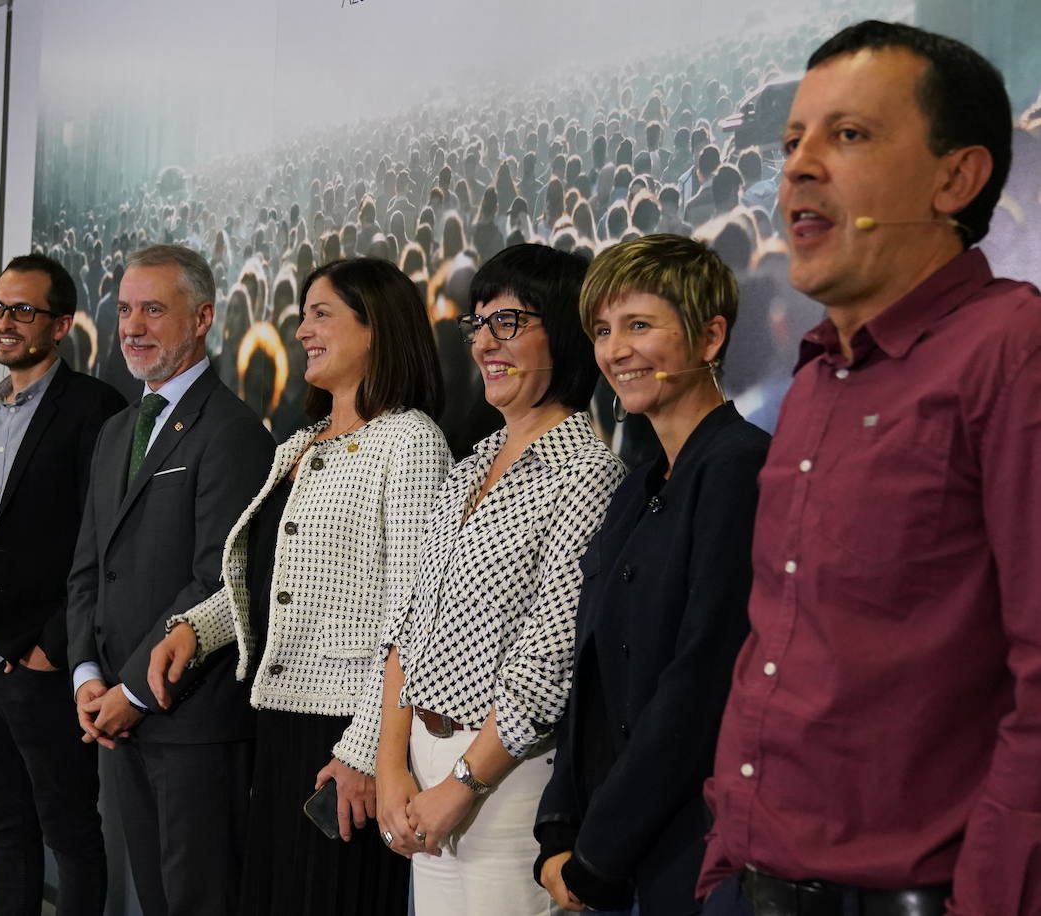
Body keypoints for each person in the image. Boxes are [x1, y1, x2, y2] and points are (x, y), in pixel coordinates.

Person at [699, 21, 1041, 916]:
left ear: (956, 178)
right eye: (791, 142)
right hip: (755, 883)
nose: (800, 165)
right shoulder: (815, 379)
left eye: (847, 135)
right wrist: (726, 860)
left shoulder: (1012, 352)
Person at [146, 258, 451, 914]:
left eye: (322, 314)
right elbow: (267, 583)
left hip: (348, 732)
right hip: (281, 722)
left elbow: (411, 614)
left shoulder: (411, 441)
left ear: (377, 329)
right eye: (303, 312)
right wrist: (196, 630)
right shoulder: (301, 444)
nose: (302, 328)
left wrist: (367, 749)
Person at [375, 244, 627, 916]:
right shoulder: (469, 465)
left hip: (507, 783)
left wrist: (460, 786)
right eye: (477, 325)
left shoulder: (587, 474)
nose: (486, 342)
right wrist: (392, 765)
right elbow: (410, 622)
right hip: (422, 767)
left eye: (509, 322)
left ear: (567, 333)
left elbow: (547, 665)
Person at [534, 235, 770, 914]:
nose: (615, 351)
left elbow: (704, 679)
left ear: (709, 336)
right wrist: (560, 827)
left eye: (639, 325)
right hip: (615, 850)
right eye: (603, 330)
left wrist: (597, 851)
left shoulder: (740, 468)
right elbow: (595, 674)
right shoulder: (634, 489)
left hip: (700, 853)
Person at [66, 243, 275, 916]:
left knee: (198, 902)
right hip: (116, 715)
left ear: (203, 316)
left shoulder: (234, 432)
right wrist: (86, 676)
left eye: (154, 310)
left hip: (192, 719)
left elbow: (219, 580)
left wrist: (132, 689)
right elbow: (88, 571)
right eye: (126, 310)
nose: (133, 327)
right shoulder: (116, 430)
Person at [0, 254, 124, 916]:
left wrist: (53, 644)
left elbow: (100, 539)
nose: (6, 323)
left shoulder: (95, 408)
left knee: (69, 833)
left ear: (62, 324)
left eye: (24, 310)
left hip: (40, 664)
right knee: (7, 829)